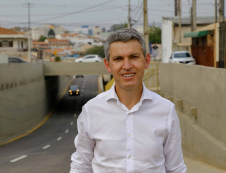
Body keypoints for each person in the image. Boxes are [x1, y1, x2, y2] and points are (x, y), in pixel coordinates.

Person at [70, 28, 187, 173]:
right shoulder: (91, 111)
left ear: (147, 60)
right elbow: (81, 166)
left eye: (134, 57)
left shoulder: (166, 111)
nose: (127, 66)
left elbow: (175, 169)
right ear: (108, 65)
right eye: (118, 59)